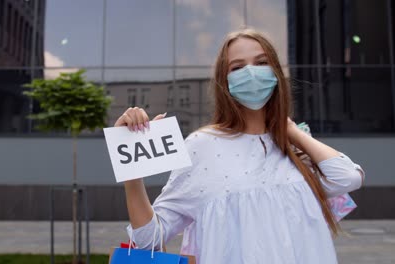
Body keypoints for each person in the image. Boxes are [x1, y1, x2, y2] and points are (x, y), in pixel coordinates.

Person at [113, 29, 365, 264]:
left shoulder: (294, 147)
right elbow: (149, 240)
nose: (251, 73)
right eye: (238, 67)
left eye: (262, 63)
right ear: (224, 81)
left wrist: (290, 131)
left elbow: (347, 177)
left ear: (276, 73)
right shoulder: (202, 146)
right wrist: (132, 172)